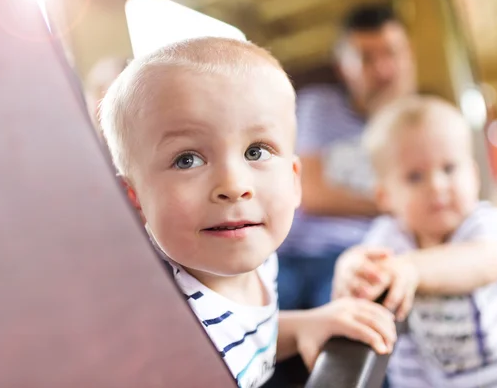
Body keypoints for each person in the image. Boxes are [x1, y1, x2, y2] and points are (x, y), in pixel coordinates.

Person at [98, 37, 396, 388]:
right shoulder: (165, 333)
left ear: (294, 180)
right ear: (133, 199)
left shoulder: (256, 253)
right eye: (187, 159)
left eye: (256, 152)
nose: (234, 184)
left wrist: (305, 325)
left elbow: (247, 334)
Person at [332, 95, 497, 387]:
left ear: (474, 175)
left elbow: (489, 259)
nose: (437, 185)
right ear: (384, 196)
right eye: (415, 177)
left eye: (450, 168)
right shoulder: (388, 237)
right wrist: (350, 266)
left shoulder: (489, 224)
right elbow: (364, 262)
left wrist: (412, 268)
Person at [278, 3, 417, 311]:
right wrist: (388, 203)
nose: (383, 69)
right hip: (288, 253)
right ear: (343, 67)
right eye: (367, 58)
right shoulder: (318, 106)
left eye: (392, 53)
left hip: (359, 258)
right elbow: (310, 192)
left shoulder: (419, 124)